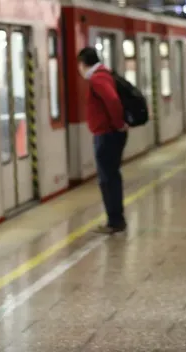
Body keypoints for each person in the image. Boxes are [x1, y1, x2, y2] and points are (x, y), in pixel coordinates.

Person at [77, 47, 128, 234]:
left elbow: (112, 100)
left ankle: (115, 221)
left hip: (107, 135)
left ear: (82, 63)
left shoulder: (97, 78)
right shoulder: (104, 74)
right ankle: (116, 219)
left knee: (108, 179)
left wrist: (117, 124)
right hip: (109, 133)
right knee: (111, 177)